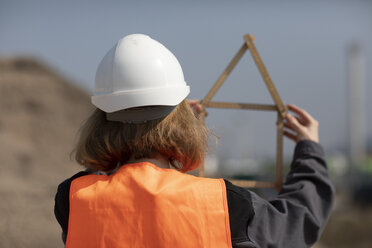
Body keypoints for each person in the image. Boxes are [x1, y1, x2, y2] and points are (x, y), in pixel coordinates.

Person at [54, 34, 334, 248]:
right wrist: (309, 150)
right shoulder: (226, 204)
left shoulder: (73, 200)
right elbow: (300, 220)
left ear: (101, 121)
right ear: (180, 120)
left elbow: (114, 183)